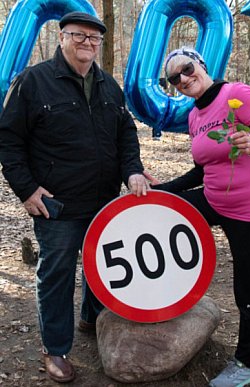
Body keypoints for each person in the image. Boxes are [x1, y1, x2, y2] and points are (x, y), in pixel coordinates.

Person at [0, 12, 148, 383]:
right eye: (78, 36)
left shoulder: (109, 85)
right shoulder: (32, 82)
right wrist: (26, 189)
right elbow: (8, 140)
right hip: (57, 204)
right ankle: (56, 349)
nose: (87, 43)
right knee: (58, 273)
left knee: (103, 267)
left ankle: (89, 319)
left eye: (94, 38)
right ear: (62, 37)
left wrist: (132, 168)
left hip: (104, 201)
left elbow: (126, 134)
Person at [149, 47, 250, 387]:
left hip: (249, 210)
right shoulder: (193, 116)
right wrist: (164, 190)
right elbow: (199, 171)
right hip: (214, 198)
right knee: (164, 214)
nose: (184, 79)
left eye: (187, 69)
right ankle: (161, 299)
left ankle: (246, 364)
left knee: (245, 287)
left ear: (201, 64)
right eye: (175, 78)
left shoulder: (237, 93)